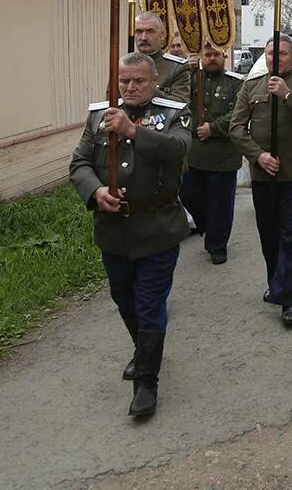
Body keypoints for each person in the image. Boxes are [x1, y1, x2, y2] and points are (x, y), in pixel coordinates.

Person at [69, 52, 191, 417]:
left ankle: (146, 383)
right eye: (124, 81)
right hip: (114, 231)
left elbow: (180, 149)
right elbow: (79, 164)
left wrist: (133, 131)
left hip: (158, 229)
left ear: (154, 82)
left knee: (150, 303)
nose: (131, 87)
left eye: (138, 80)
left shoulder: (173, 113)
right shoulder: (98, 116)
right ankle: (144, 350)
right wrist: (95, 191)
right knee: (124, 299)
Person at [229, 35, 292, 327]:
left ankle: (288, 300)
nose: (275, 59)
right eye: (271, 54)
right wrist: (258, 156)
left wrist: (286, 94)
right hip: (263, 174)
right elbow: (236, 128)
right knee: (269, 235)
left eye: (282, 54)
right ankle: (276, 282)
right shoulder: (251, 86)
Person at [180, 45, 243, 264]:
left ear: (224, 57)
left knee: (221, 203)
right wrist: (185, 71)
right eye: (208, 55)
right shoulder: (190, 80)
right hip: (194, 152)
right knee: (188, 194)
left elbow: (237, 114)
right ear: (201, 58)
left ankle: (218, 245)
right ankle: (207, 227)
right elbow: (177, 104)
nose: (212, 59)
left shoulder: (235, 83)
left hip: (223, 153)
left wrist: (213, 128)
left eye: (217, 55)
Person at [133, 11, 192, 102]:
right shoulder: (124, 67)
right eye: (139, 31)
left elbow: (180, 104)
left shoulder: (177, 68)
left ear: (162, 35)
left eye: (150, 31)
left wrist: (153, 92)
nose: (143, 37)